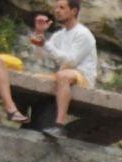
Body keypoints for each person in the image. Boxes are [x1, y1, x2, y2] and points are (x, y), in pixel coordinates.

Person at [30, 0, 98, 140]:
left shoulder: (83, 34)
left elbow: (71, 61)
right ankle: (27, 119)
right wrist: (39, 34)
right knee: (34, 77)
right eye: (56, 8)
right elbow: (41, 56)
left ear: (73, 11)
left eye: (62, 7)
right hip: (64, 74)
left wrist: (46, 45)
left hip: (83, 76)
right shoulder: (59, 35)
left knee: (63, 76)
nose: (57, 11)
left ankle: (59, 125)